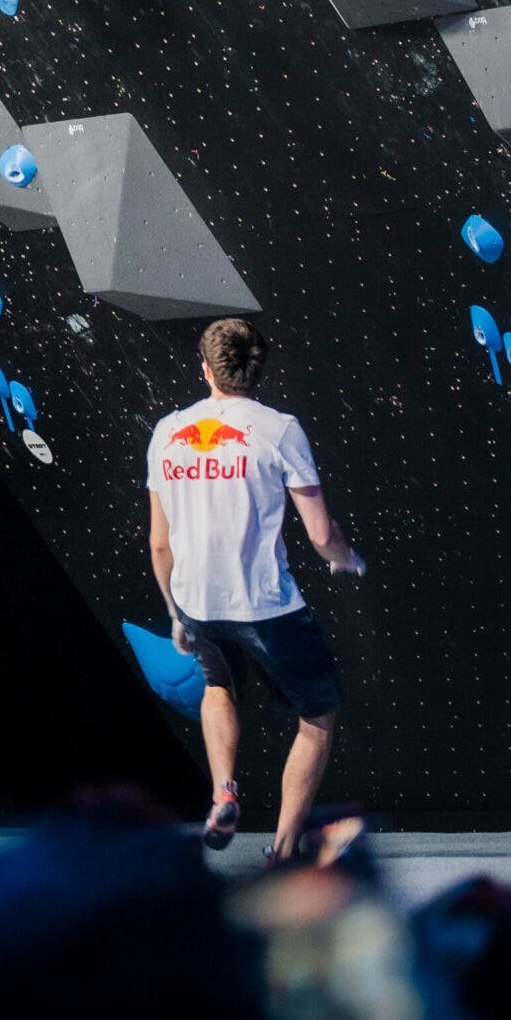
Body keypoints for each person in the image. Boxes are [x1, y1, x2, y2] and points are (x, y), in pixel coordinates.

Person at [147, 317, 364, 861]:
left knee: (218, 687)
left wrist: (176, 612)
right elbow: (321, 533)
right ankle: (285, 849)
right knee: (317, 716)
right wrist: (346, 559)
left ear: (206, 369)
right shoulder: (280, 429)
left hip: (197, 602)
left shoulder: (167, 432)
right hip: (265, 605)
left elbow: (159, 543)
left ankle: (223, 790)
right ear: (258, 370)